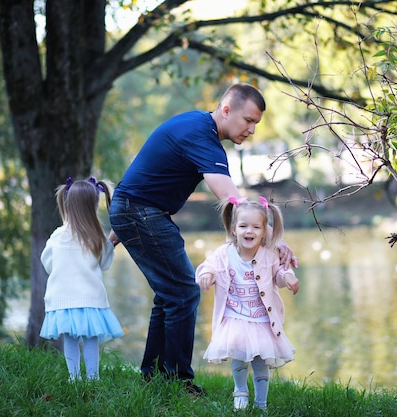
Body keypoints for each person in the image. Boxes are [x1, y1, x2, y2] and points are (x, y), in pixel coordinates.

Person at [108, 83, 298, 395]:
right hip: (141, 213)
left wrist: (120, 228)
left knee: (170, 294)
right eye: (248, 120)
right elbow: (233, 203)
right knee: (183, 291)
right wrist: (272, 240)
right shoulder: (202, 138)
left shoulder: (196, 126)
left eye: (256, 124)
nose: (251, 130)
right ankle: (178, 381)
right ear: (226, 110)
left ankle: (154, 377)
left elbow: (147, 176)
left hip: (137, 211)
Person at [196, 196, 299, 411]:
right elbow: (208, 266)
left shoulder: (269, 255)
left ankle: (261, 404)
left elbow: (278, 274)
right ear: (234, 228)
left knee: (261, 362)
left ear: (265, 232)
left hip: (261, 319)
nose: (248, 231)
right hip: (235, 318)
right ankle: (240, 391)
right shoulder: (224, 254)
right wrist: (206, 275)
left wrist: (287, 277)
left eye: (255, 227)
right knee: (240, 358)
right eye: (243, 226)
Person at [40, 176, 124, 381]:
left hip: (63, 299)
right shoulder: (97, 238)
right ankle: (93, 378)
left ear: (68, 205)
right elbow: (104, 264)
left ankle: (74, 378)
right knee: (90, 339)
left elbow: (47, 264)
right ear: (93, 206)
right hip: (90, 299)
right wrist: (112, 243)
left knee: (69, 338)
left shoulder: (57, 236)